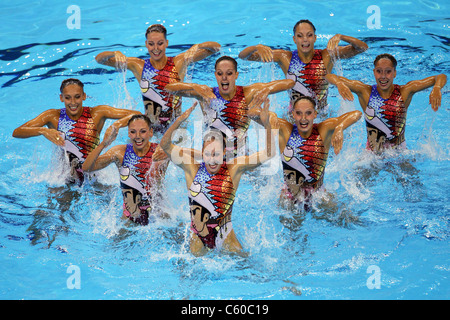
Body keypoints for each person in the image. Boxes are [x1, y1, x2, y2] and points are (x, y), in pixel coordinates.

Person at [159, 99, 274, 256]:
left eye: (216, 154)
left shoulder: (235, 168)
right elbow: (165, 145)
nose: (212, 160)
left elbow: (269, 154)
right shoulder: (191, 168)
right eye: (207, 154)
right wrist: (179, 121)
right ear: (202, 152)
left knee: (246, 267)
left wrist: (267, 125)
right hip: (198, 236)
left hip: (225, 235)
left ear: (224, 153)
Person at [95, 24, 221, 135]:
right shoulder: (138, 66)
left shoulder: (179, 62)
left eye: (160, 43)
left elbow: (215, 47)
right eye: (151, 44)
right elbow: (100, 59)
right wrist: (114, 52)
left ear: (166, 42)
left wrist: (199, 46)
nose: (156, 48)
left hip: (177, 129)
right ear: (146, 44)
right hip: (151, 131)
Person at [12, 78, 140, 185]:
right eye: (68, 98)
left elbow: (136, 114)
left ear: (84, 96)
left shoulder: (97, 113)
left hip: (94, 175)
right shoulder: (52, 116)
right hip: (65, 177)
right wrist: (43, 131)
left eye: (77, 97)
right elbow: (17, 132)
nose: (73, 103)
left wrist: (117, 124)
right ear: (61, 98)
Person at [165, 55, 294, 159]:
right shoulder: (205, 94)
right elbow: (168, 88)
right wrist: (193, 86)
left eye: (229, 73)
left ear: (236, 75)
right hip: (212, 159)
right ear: (215, 75)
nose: (224, 77)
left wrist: (267, 89)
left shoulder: (247, 94)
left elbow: (290, 82)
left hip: (240, 159)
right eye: (220, 74)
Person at [325, 53, 447, 154]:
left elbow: (440, 76)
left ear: (394, 73)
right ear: (374, 72)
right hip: (372, 155)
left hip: (399, 152)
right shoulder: (365, 92)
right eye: (379, 71)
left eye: (388, 72)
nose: (383, 76)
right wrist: (339, 83)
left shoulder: (405, 91)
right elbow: (329, 76)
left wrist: (436, 88)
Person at [238, 19, 368, 112]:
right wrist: (256, 47)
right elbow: (243, 56)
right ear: (294, 39)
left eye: (309, 35)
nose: (305, 39)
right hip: (294, 116)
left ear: (315, 38)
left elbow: (362, 48)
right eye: (300, 36)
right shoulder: (284, 57)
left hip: (321, 115)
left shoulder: (327, 56)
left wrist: (342, 36)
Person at [271, 96, 362, 209]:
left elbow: (357, 114)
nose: (303, 118)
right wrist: (270, 116)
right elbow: (253, 114)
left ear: (315, 114)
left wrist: (340, 127)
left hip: (317, 194)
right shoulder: (285, 130)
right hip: (290, 195)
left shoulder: (323, 130)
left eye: (308, 113)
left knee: (343, 217)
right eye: (299, 113)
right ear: (293, 114)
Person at [82, 114, 167, 225]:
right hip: (129, 218)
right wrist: (103, 144)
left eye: (142, 131)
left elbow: (189, 159)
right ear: (128, 133)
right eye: (133, 132)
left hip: (158, 219)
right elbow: (87, 168)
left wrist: (170, 153)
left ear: (151, 132)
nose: (137, 136)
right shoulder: (120, 152)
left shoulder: (161, 151)